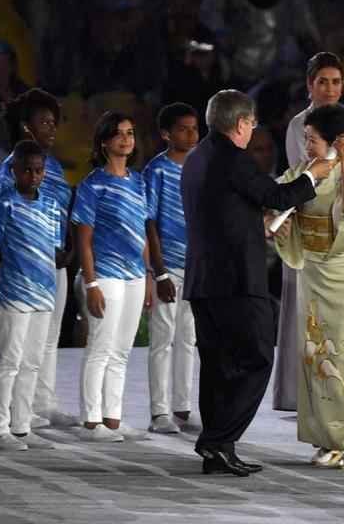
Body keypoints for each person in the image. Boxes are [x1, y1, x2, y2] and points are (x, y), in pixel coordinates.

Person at [182, 90, 322, 477]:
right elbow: (277, 195)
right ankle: (217, 439)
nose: (252, 131)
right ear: (241, 124)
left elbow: (220, 212)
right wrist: (314, 175)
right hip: (236, 281)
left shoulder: (196, 158)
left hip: (203, 280)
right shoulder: (233, 159)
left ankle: (219, 448)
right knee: (258, 357)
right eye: (252, 124)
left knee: (217, 365)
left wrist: (252, 226)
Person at [272, 104, 344, 470]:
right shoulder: (302, 173)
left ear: (333, 141)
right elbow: (281, 204)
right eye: (305, 138)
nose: (307, 145)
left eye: (312, 139)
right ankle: (326, 439)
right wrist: (281, 224)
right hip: (314, 271)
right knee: (315, 354)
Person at [72, 111, 159, 443]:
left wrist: (150, 275)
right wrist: (91, 282)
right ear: (105, 141)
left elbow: (144, 233)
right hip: (105, 274)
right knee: (101, 347)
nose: (127, 139)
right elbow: (84, 239)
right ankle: (91, 420)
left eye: (131, 133)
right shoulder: (93, 184)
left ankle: (113, 418)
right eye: (119, 134)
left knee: (122, 349)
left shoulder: (138, 182)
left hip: (135, 275)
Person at [276, 51, 344, 411]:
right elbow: (305, 172)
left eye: (336, 81)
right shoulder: (298, 125)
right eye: (322, 81)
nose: (330, 88)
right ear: (310, 85)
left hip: (340, 225)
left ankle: (336, 390)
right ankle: (296, 393)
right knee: (300, 310)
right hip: (306, 225)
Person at [0, 88, 77, 428]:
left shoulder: (54, 167)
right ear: (25, 126)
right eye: (44, 122)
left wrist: (68, 249)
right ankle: (18, 409)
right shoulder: (9, 169)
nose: (52, 129)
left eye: (54, 123)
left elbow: (64, 213)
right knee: (19, 345)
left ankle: (43, 401)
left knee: (49, 335)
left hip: (54, 263)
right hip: (22, 269)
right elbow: (6, 221)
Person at [0, 140, 64, 452]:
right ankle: (0, 428)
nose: (33, 176)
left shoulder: (51, 204)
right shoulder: (4, 203)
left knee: (32, 360)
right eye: (27, 170)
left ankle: (22, 425)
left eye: (38, 170)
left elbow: (54, 248)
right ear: (14, 171)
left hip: (44, 292)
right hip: (14, 293)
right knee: (10, 360)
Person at [143, 103, 202, 436]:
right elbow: (150, 220)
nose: (191, 134)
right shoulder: (157, 170)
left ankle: (182, 404)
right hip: (168, 265)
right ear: (166, 134)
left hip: (195, 264)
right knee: (163, 338)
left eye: (195, 128)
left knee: (188, 338)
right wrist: (159, 270)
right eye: (183, 129)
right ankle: (159, 410)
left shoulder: (201, 166)